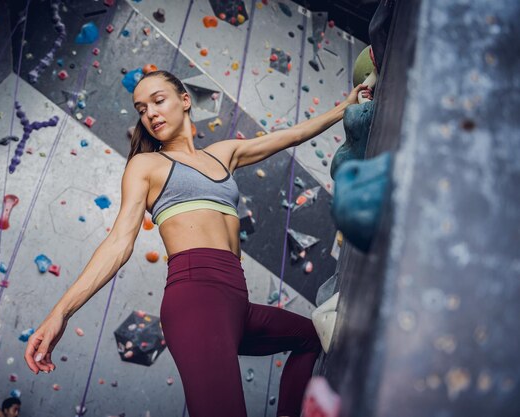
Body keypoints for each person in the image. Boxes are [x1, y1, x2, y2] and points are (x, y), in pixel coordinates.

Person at [24, 70, 371, 417]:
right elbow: (118, 243)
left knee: (309, 337)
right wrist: (61, 313)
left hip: (237, 301)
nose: (150, 114)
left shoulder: (224, 153)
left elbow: (293, 135)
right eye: (142, 109)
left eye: (158, 101)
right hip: (196, 300)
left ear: (185, 100)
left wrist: (347, 105)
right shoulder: (145, 166)